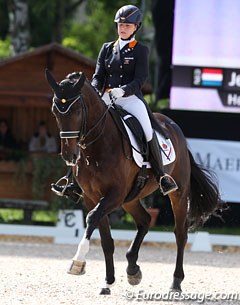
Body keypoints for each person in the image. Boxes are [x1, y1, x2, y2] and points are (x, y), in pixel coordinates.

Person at [51, 4, 177, 200]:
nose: (122, 28)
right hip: (106, 98)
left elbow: (141, 79)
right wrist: (95, 91)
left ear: (136, 27)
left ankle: (161, 175)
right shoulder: (107, 48)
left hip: (130, 99)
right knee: (84, 127)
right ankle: (71, 180)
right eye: (120, 25)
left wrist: (123, 90)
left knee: (146, 129)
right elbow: (98, 75)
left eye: (127, 25)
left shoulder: (140, 50)